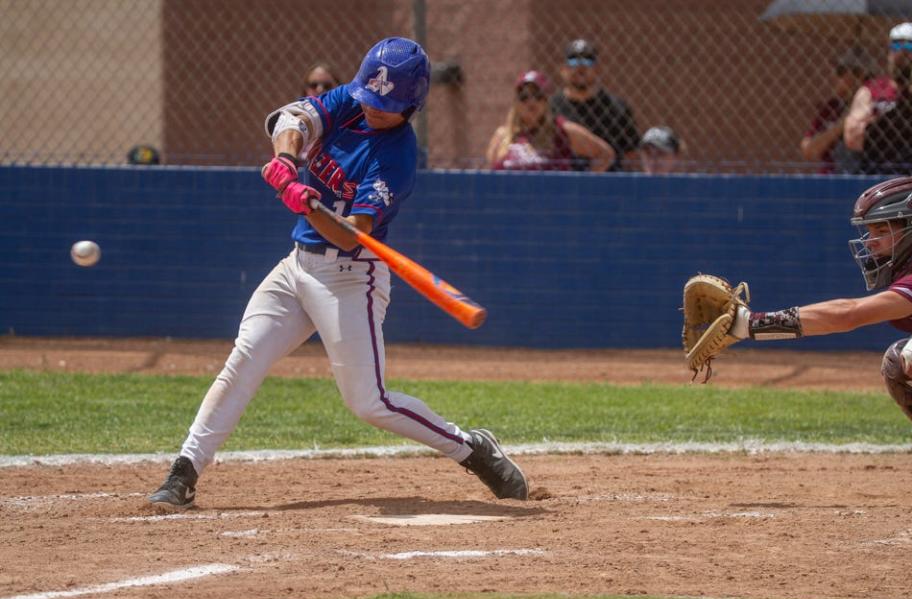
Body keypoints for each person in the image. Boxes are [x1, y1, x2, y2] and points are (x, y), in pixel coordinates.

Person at [148, 37, 529, 510]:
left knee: (369, 402)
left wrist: (304, 201)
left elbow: (353, 235)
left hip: (352, 278)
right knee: (243, 362)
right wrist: (288, 162)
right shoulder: (352, 99)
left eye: (386, 106)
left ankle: (472, 449)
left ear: (411, 106)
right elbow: (291, 120)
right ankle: (184, 471)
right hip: (297, 267)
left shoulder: (398, 156)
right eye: (370, 98)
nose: (372, 109)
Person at [718, 176, 912, 501]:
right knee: (910, 356)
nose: (870, 242)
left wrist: (749, 325)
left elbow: (848, 314)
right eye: (869, 232)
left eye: (881, 231)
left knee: (896, 363)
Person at [486, 70, 614, 172]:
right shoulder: (503, 135)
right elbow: (491, 175)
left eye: (537, 95)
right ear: (516, 103)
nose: (531, 102)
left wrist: (580, 187)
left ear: (546, 101)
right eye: (524, 97)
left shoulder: (562, 131)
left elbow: (605, 154)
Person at [843, 23, 912, 164]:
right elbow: (853, 137)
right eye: (895, 46)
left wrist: (876, 125)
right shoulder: (872, 89)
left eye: (909, 47)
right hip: (880, 166)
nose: (901, 53)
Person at [549, 39, 641, 172]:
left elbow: (631, 155)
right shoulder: (552, 107)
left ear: (597, 69)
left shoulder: (616, 108)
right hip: (564, 182)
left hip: (608, 183)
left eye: (588, 61)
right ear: (563, 69)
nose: (581, 67)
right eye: (573, 62)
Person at [800, 48, 871, 174]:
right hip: (830, 177)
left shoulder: (874, 107)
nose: (838, 78)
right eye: (840, 72)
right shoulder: (832, 108)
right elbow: (808, 150)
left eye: (841, 72)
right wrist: (843, 122)